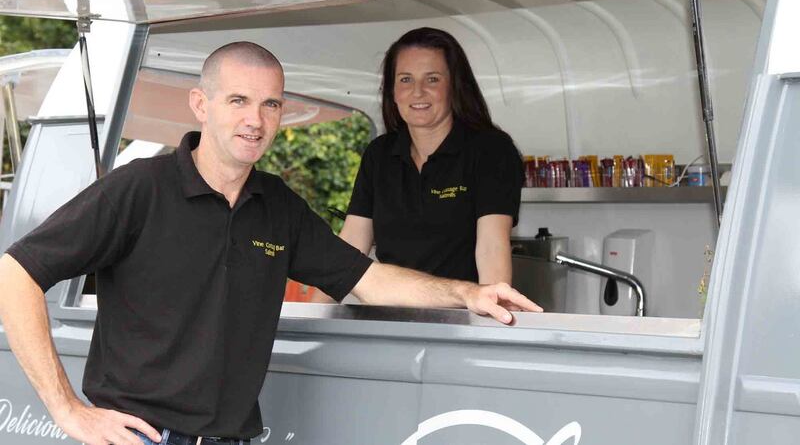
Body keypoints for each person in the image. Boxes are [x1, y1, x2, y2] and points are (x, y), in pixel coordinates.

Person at [0, 42, 541, 445]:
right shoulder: (140, 188)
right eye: (238, 100)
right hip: (139, 436)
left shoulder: (277, 206)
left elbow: (368, 278)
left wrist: (467, 294)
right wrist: (67, 409)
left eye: (270, 105)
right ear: (200, 104)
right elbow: (15, 272)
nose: (254, 121)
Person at [312, 27, 523, 303]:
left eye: (432, 79)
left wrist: (493, 311)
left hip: (464, 316)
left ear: (454, 86)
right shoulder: (380, 154)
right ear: (392, 91)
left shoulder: (491, 150)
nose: (418, 92)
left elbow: (491, 248)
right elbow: (351, 245)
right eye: (405, 79)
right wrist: (311, 317)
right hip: (390, 316)